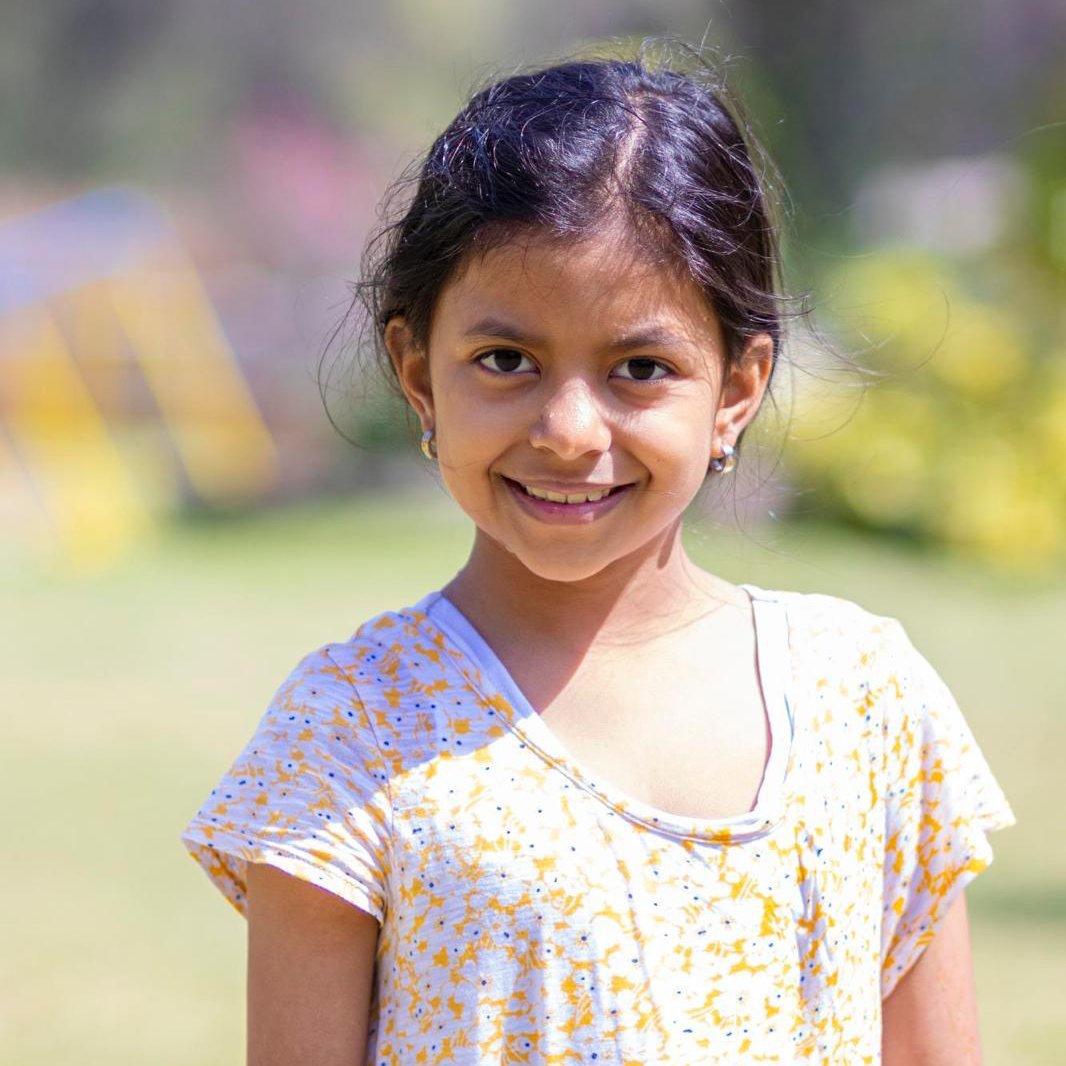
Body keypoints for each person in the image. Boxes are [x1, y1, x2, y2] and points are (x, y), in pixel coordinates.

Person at [181, 46, 1015, 1065]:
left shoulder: (866, 699)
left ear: (738, 388)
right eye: (505, 361)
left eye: (639, 367)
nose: (570, 429)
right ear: (416, 371)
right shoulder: (353, 726)